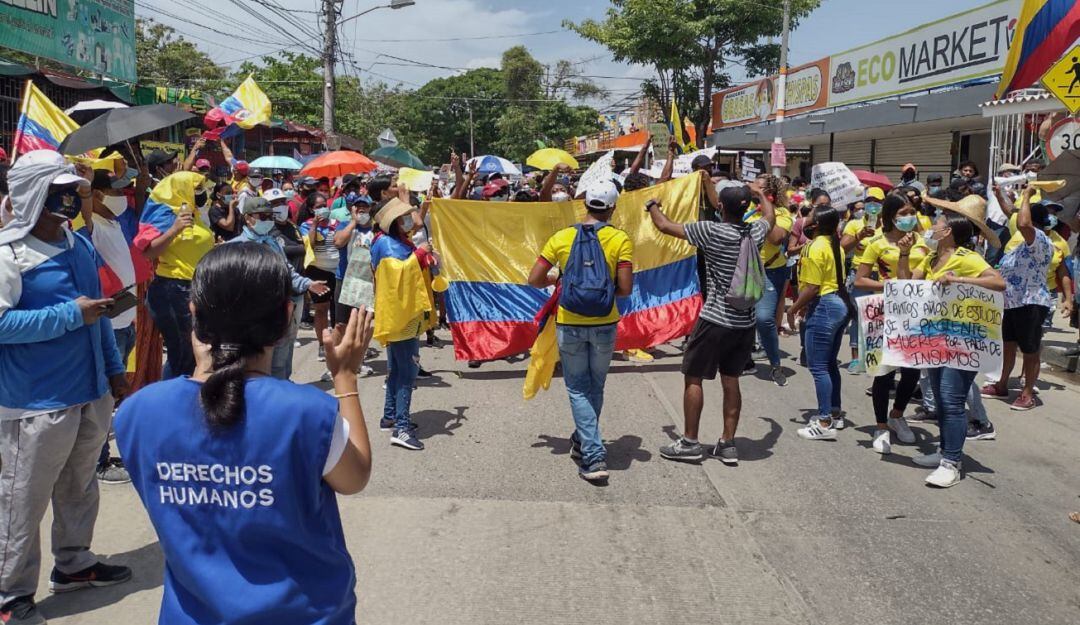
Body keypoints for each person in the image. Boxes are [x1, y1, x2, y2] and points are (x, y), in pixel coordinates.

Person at [115, 243, 375, 625]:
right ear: (287, 317)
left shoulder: (137, 412)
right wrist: (345, 378)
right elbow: (355, 476)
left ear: (193, 314)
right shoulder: (304, 411)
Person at [0, 151, 132, 625]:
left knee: (79, 486)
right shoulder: (9, 254)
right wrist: (68, 314)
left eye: (72, 189)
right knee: (21, 501)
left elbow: (97, 315)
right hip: (35, 401)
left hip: (89, 391)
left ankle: (74, 563)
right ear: (33, 193)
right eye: (60, 190)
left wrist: (114, 370)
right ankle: (9, 594)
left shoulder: (79, 245)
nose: (71, 198)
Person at [650, 179, 774, 464]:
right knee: (731, 381)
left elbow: (665, 226)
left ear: (720, 207)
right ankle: (728, 443)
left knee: (694, 377)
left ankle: (690, 442)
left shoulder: (710, 231)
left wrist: (652, 204)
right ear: (745, 209)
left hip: (715, 319)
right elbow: (770, 217)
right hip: (745, 323)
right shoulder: (754, 231)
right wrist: (760, 195)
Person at [527, 180, 633, 483]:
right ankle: (585, 441)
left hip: (569, 322)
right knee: (595, 385)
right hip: (604, 322)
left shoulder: (561, 237)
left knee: (576, 387)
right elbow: (624, 289)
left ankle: (593, 454)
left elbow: (534, 279)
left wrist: (558, 279)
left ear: (584, 203)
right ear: (612, 206)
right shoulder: (620, 239)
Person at [898, 196, 1005, 488]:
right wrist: (904, 255)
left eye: (939, 222)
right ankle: (945, 451)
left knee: (952, 400)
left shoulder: (967, 258)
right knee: (942, 402)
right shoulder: (931, 258)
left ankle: (951, 462)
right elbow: (906, 284)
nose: (934, 225)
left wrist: (959, 280)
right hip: (934, 338)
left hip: (963, 342)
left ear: (948, 231)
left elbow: (998, 282)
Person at [853, 194, 925, 453]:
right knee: (883, 372)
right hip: (885, 312)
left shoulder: (924, 242)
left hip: (916, 312)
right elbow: (859, 280)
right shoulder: (877, 244)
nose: (909, 218)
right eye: (903, 213)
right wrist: (888, 285)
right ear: (891, 216)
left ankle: (897, 415)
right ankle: (881, 426)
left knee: (912, 371)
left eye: (911, 212)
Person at [83, 170, 141, 484]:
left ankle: (102, 451)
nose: (123, 195)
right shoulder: (91, 226)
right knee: (103, 395)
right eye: (114, 190)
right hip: (110, 324)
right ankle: (99, 461)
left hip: (125, 316)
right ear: (97, 194)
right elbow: (86, 218)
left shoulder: (116, 222)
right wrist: (84, 192)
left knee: (111, 396)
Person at [229, 196, 329, 379]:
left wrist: (308, 284)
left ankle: (282, 392)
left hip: (280, 312)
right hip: (252, 319)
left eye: (270, 216)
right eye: (262, 216)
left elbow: (287, 271)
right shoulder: (235, 247)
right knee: (253, 367)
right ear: (248, 217)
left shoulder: (273, 243)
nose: (267, 220)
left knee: (281, 362)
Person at [980, 187, 1055, 411]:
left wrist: (1026, 196)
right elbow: (1014, 215)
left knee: (1030, 351)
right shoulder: (1019, 247)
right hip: (1013, 303)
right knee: (1008, 346)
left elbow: (1022, 223)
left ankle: (1027, 393)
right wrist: (1001, 194)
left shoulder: (1040, 239)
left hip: (1031, 302)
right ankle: (1002, 384)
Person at [135, 172, 215, 379]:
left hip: (194, 288)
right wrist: (175, 229)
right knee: (182, 353)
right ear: (182, 189)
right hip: (173, 290)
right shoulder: (168, 215)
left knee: (193, 352)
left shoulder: (194, 212)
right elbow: (147, 251)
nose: (202, 193)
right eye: (196, 189)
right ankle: (171, 400)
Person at [371, 198, 434, 452]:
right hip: (400, 316)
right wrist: (420, 254)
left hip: (398, 314)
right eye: (405, 217)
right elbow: (397, 275)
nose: (410, 220)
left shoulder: (391, 241)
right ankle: (402, 427)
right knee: (407, 373)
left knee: (396, 369)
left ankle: (390, 415)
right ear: (395, 222)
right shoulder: (387, 244)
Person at [791, 205, 853, 440]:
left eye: (810, 216)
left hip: (825, 306)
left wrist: (794, 309)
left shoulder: (815, 247)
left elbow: (812, 287)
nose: (805, 218)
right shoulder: (832, 243)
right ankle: (834, 413)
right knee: (829, 364)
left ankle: (824, 421)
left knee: (818, 367)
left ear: (816, 224)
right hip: (839, 304)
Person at [746, 174, 793, 386]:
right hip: (745, 272)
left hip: (769, 272)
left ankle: (775, 363)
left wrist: (767, 209)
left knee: (764, 318)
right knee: (740, 318)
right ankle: (743, 358)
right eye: (754, 185)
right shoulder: (747, 208)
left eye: (760, 187)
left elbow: (775, 238)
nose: (754, 188)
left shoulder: (782, 213)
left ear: (770, 193)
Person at [840, 187, 884, 374]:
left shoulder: (889, 226)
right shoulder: (855, 224)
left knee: (878, 318)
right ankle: (856, 358)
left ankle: (875, 358)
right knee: (859, 316)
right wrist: (859, 236)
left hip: (882, 276)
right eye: (869, 201)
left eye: (877, 201)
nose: (873, 205)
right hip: (859, 275)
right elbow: (842, 246)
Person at [300, 193, 340, 363]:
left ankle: (338, 344)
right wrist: (315, 226)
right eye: (318, 206)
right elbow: (310, 245)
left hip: (337, 271)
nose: (323, 208)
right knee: (322, 309)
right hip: (318, 271)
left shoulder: (336, 223)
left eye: (325, 205)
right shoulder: (305, 225)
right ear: (311, 209)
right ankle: (323, 345)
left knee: (337, 310)